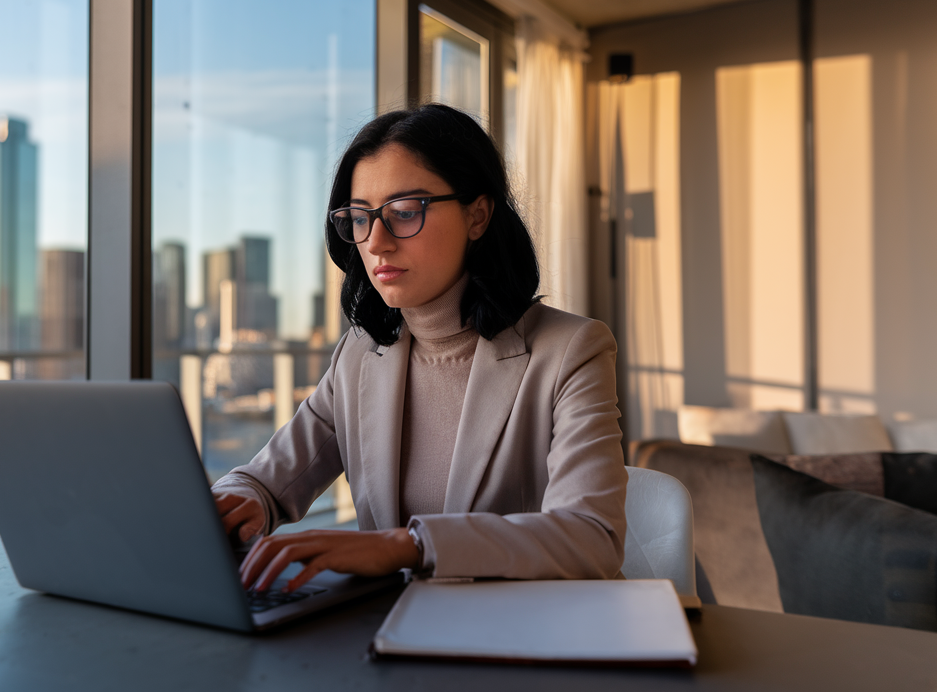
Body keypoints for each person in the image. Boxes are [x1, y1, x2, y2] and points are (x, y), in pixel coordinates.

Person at [212, 103, 627, 594]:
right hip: (392, 637)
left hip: (529, 640)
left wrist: (408, 545)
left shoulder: (571, 351)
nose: (377, 243)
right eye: (360, 218)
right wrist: (237, 502)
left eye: (405, 212)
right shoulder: (360, 356)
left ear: (478, 215)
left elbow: (591, 537)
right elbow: (266, 481)